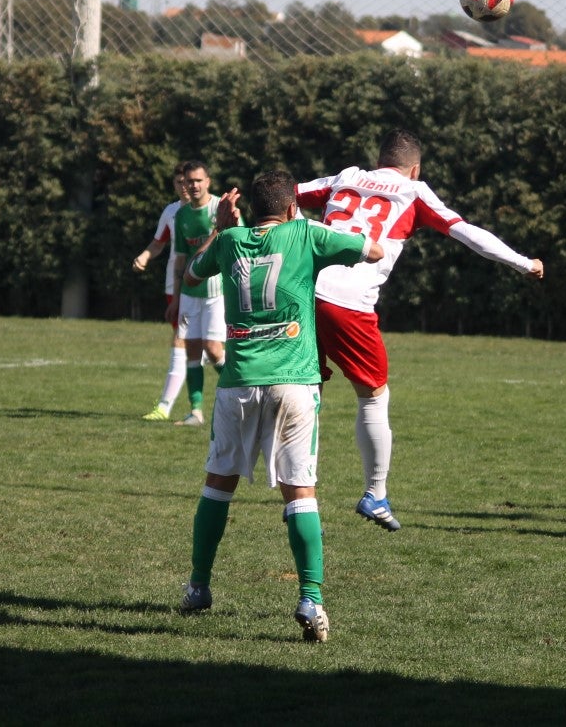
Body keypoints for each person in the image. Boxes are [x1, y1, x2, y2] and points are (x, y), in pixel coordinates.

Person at [295, 129, 543, 530]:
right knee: (373, 396)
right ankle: (375, 494)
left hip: (302, 292)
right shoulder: (414, 190)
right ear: (415, 168)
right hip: (347, 304)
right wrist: (523, 262)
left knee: (305, 390)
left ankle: (298, 488)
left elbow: (284, 195)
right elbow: (466, 232)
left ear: (378, 159)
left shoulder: (345, 176)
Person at [178, 170, 384, 642]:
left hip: (239, 383)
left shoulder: (229, 240)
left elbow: (192, 273)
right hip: (294, 383)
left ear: (248, 209)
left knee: (217, 485)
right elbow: (372, 251)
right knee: (300, 491)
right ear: (293, 206)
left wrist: (220, 227)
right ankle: (311, 599)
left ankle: (198, 586)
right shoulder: (306, 232)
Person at [164, 160, 231, 427]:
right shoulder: (181, 216)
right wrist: (176, 298)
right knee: (191, 348)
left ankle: (241, 391)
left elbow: (237, 242)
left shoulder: (220, 209)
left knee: (214, 350)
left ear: (208, 182)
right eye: (188, 181)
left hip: (217, 291)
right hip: (190, 293)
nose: (192, 185)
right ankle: (196, 411)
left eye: (198, 180)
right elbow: (180, 260)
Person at [132, 164, 192, 421]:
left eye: (188, 181)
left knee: (191, 343)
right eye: (179, 181)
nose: (184, 186)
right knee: (185, 342)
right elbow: (159, 243)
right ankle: (171, 407)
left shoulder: (211, 210)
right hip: (174, 284)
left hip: (204, 285)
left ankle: (166, 407)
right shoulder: (171, 212)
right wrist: (144, 256)